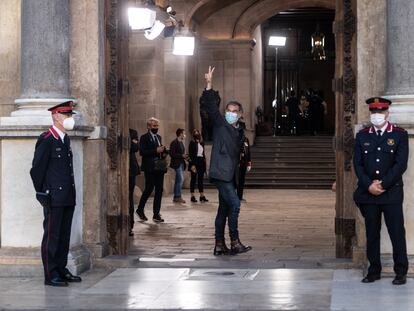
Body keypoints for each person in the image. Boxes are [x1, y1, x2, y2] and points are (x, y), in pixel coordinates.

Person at [353, 97, 409, 285]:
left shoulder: (399, 135)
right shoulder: (362, 135)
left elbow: (400, 164)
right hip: (369, 193)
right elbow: (358, 164)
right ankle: (373, 270)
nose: (377, 115)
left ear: (387, 113)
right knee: (372, 233)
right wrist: (369, 185)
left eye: (380, 112)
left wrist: (382, 185)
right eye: (374, 112)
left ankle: (400, 271)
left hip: (391, 192)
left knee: (396, 233)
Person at [30, 101, 82, 287]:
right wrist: (43, 194)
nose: (70, 119)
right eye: (67, 115)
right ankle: (50, 274)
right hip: (54, 196)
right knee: (52, 236)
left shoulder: (64, 139)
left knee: (64, 235)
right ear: (56, 117)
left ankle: (61, 268)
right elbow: (36, 170)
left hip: (68, 195)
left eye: (70, 115)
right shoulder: (47, 139)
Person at [201, 66, 252, 255]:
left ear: (240, 114)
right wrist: (209, 83)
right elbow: (210, 106)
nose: (230, 113)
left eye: (234, 111)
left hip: (231, 175)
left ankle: (219, 244)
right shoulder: (221, 124)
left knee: (223, 209)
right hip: (220, 173)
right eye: (228, 110)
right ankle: (235, 241)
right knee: (235, 204)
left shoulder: (240, 131)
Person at [136, 117, 167, 223]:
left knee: (159, 190)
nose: (156, 128)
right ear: (149, 126)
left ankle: (156, 214)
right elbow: (142, 152)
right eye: (154, 126)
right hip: (149, 167)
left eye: (157, 126)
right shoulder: (144, 137)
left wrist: (163, 151)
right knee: (149, 189)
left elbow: (159, 151)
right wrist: (155, 150)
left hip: (159, 167)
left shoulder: (159, 137)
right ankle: (140, 209)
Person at [188, 129, 208, 203]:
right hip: (194, 162)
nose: (197, 134)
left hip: (201, 162)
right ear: (193, 135)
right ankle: (192, 196)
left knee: (200, 179)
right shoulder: (191, 143)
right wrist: (192, 165)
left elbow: (203, 153)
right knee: (193, 179)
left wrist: (205, 164)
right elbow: (191, 154)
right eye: (195, 133)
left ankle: (202, 196)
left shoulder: (202, 143)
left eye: (198, 133)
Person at [170, 128, 188, 204]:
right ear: (180, 134)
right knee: (180, 179)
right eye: (184, 133)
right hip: (177, 164)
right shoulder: (174, 142)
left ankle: (176, 197)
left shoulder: (181, 142)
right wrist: (181, 155)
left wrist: (185, 156)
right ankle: (178, 196)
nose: (184, 135)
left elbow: (182, 153)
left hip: (181, 163)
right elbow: (172, 154)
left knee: (178, 180)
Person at [129, 128, 140, 236]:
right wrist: (131, 142)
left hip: (131, 170)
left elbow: (135, 148)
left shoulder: (133, 132)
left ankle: (129, 225)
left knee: (129, 197)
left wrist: (131, 143)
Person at [237, 120, 251, 201]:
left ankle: (240, 196)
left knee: (242, 180)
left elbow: (248, 152)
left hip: (244, 163)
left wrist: (249, 162)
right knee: (236, 181)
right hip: (237, 163)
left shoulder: (246, 140)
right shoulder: (235, 139)